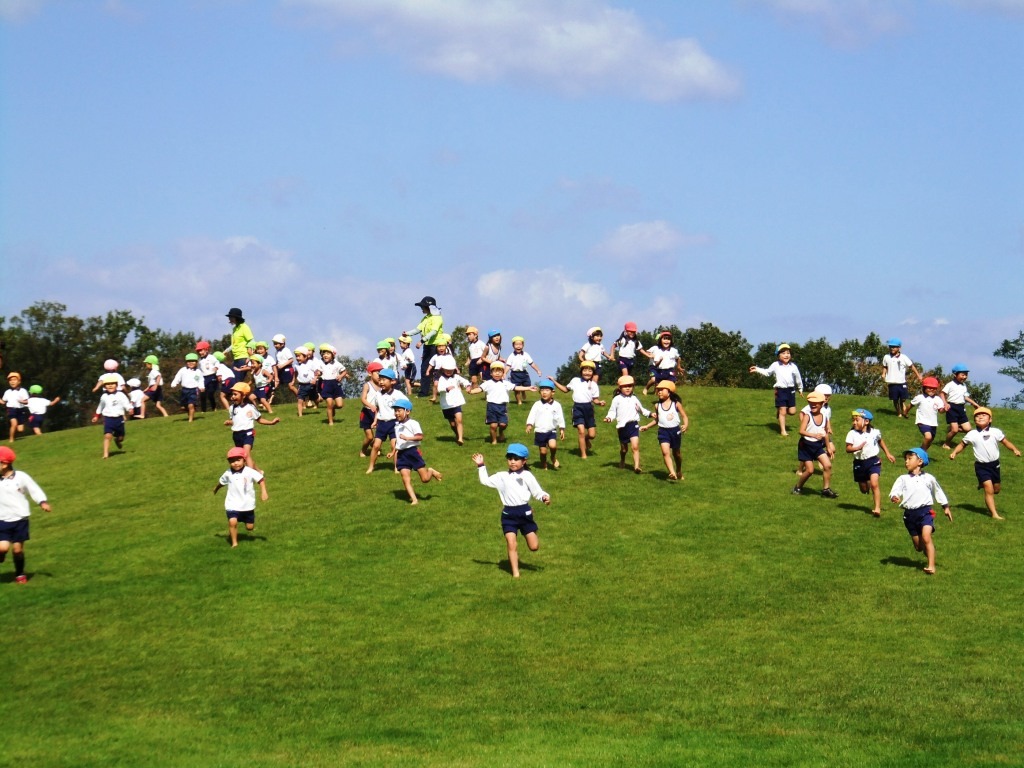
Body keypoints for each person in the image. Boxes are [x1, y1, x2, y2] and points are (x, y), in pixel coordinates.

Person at [473, 443, 550, 579]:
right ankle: (516, 574)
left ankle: (531, 531)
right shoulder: (501, 476)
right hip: (508, 515)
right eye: (510, 458)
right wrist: (481, 465)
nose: (512, 461)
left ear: (524, 461)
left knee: (534, 547)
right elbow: (485, 481)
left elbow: (537, 491)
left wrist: (544, 497)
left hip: (525, 513)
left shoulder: (527, 475)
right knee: (511, 542)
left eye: (516, 458)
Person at [949, 407, 1021, 520]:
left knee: (996, 489)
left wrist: (1015, 450)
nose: (980, 417)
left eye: (984, 415)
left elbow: (1006, 442)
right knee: (989, 489)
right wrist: (954, 452)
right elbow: (962, 445)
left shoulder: (995, 432)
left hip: (995, 465)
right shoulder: (971, 434)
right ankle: (994, 514)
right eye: (977, 416)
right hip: (981, 466)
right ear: (974, 420)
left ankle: (983, 483)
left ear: (990, 419)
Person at [889, 447, 952, 575]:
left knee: (926, 537)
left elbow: (938, 491)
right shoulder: (903, 478)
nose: (906, 461)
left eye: (909, 458)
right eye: (905, 459)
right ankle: (929, 551)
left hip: (925, 512)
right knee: (919, 547)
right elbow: (895, 490)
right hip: (910, 516)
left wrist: (945, 507)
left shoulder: (929, 478)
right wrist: (895, 496)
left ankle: (931, 566)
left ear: (920, 461)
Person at [0, 445, 51, 584]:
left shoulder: (21, 477)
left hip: (20, 520)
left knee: (17, 550)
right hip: (2, 520)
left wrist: (42, 502)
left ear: (4, 464)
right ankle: (1, 554)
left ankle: (20, 574)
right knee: (2, 547)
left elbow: (34, 489)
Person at [388, 397, 443, 505]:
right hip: (401, 455)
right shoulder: (397, 426)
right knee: (405, 478)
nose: (396, 413)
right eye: (395, 411)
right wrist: (393, 451)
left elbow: (420, 437)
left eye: (399, 410)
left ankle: (430, 471)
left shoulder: (413, 423)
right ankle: (414, 500)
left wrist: (408, 438)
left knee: (425, 479)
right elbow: (398, 442)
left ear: (407, 411)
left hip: (413, 453)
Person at [469, 361, 536, 445]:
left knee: (503, 424)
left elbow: (516, 387)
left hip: (502, 407)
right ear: (491, 373)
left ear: (503, 373)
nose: (497, 373)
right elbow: (479, 389)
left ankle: (501, 432)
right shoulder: (488, 383)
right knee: (493, 426)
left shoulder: (506, 383)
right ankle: (494, 440)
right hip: (491, 407)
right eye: (495, 371)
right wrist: (471, 391)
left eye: (499, 371)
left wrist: (528, 388)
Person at [213, 446, 268, 548]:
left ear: (244, 460)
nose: (235, 463)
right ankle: (234, 543)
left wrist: (264, 492)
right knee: (232, 521)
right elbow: (221, 482)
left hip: (247, 504)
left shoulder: (249, 471)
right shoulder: (228, 473)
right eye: (232, 461)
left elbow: (261, 480)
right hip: (232, 503)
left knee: (250, 527)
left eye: (238, 460)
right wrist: (216, 488)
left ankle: (242, 525)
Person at [844, 408, 896, 517]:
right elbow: (848, 449)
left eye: (857, 420)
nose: (854, 422)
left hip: (873, 461)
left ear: (866, 421)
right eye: (853, 420)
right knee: (864, 489)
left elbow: (880, 441)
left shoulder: (875, 432)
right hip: (859, 463)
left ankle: (877, 508)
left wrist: (888, 453)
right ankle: (866, 482)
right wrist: (857, 448)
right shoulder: (851, 433)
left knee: (874, 484)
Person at [553, 361, 605, 459]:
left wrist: (599, 403)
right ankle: (583, 455)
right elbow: (565, 390)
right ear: (581, 371)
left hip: (589, 409)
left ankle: (586, 439)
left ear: (593, 373)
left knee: (592, 435)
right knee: (581, 431)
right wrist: (554, 382)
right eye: (585, 370)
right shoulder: (575, 380)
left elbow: (595, 399)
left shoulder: (594, 385)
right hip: (578, 408)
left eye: (590, 371)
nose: (587, 373)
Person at [749, 343, 803, 436]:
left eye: (788, 353)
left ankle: (780, 410)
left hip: (791, 390)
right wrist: (757, 369)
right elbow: (767, 372)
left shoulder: (793, 366)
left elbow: (798, 378)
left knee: (792, 412)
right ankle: (783, 431)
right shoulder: (775, 365)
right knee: (783, 411)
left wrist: (800, 388)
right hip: (780, 390)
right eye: (783, 353)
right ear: (778, 355)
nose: (786, 355)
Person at [641, 380, 689, 481]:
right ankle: (672, 472)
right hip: (663, 432)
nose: (659, 392)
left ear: (670, 391)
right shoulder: (657, 406)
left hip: (675, 431)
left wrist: (685, 425)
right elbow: (657, 420)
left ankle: (679, 470)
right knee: (665, 452)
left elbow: (684, 416)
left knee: (677, 454)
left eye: (662, 390)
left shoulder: (676, 404)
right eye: (658, 390)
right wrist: (647, 426)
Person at [792, 391, 837, 497]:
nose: (813, 405)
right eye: (810, 403)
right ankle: (798, 487)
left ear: (822, 404)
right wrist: (813, 435)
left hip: (817, 446)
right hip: (805, 446)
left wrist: (828, 447)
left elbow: (825, 433)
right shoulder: (807, 416)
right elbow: (801, 431)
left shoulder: (824, 417)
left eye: (815, 403)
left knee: (828, 465)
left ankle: (826, 489)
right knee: (810, 470)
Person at [224, 382, 280, 469]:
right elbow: (234, 421)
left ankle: (250, 475)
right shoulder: (232, 408)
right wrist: (229, 422)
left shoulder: (250, 407)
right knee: (242, 456)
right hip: (236, 435)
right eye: (233, 394)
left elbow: (260, 420)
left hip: (247, 433)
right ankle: (258, 472)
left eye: (235, 394)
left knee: (246, 454)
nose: (233, 396)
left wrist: (271, 422)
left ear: (243, 395)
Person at [605, 375, 651, 473]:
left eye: (630, 386)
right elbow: (612, 412)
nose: (627, 388)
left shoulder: (634, 398)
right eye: (625, 386)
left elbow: (641, 410)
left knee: (635, 446)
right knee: (624, 449)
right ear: (620, 387)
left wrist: (651, 414)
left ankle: (636, 467)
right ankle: (622, 459)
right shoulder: (616, 399)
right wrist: (609, 418)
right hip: (622, 427)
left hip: (633, 425)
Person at [404, 296, 444, 398]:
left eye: (423, 306)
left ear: (429, 307)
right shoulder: (425, 318)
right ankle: (424, 392)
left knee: (439, 368)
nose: (421, 309)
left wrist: (422, 341)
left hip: (437, 346)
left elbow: (434, 332)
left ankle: (444, 389)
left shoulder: (437, 318)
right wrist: (407, 333)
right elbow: (418, 329)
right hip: (427, 347)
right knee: (424, 369)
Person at [363, 368, 400, 473]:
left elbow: (406, 406)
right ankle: (371, 466)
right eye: (380, 380)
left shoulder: (397, 394)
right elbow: (378, 409)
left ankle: (397, 467)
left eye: (384, 380)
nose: (381, 382)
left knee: (394, 445)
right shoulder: (378, 394)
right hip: (382, 423)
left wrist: (401, 417)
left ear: (392, 381)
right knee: (376, 445)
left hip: (394, 423)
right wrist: (375, 421)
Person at [525, 379, 565, 470]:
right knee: (543, 452)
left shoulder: (557, 405)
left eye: (547, 390)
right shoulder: (537, 404)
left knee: (553, 446)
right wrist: (529, 425)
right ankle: (544, 463)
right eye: (542, 390)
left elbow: (560, 417)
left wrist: (562, 428)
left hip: (551, 431)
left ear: (552, 392)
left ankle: (553, 457)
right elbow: (532, 415)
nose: (544, 392)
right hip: (540, 431)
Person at [91, 373, 133, 458]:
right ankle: (106, 454)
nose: (110, 386)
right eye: (108, 384)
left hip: (119, 419)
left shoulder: (120, 395)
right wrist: (96, 416)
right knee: (107, 435)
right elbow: (100, 407)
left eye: (112, 384)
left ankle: (117, 440)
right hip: (108, 419)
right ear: (104, 386)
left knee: (121, 437)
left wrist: (129, 409)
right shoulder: (104, 396)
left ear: (116, 385)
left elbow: (126, 403)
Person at [940, 364, 981, 450]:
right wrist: (945, 403)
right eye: (962, 374)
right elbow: (942, 393)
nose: (965, 377)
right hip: (952, 408)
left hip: (961, 408)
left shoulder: (964, 386)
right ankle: (946, 444)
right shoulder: (950, 384)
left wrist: (974, 403)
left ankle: (952, 428)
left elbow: (965, 397)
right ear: (955, 374)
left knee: (968, 429)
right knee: (954, 430)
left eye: (966, 375)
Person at [880, 338, 923, 418]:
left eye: (894, 347)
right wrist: (883, 373)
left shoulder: (903, 357)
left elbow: (911, 366)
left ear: (899, 348)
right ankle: (899, 413)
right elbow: (885, 366)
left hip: (902, 382)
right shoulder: (886, 357)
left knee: (903, 398)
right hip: (892, 382)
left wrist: (918, 375)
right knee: (895, 399)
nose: (892, 348)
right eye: (891, 346)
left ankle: (903, 407)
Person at [436, 362, 472, 446]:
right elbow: (439, 389)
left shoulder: (456, 377)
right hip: (446, 405)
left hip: (456, 402)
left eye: (451, 370)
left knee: (459, 420)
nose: (449, 372)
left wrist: (468, 386)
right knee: (452, 424)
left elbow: (465, 381)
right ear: (443, 370)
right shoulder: (441, 379)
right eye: (447, 370)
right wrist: (446, 389)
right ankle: (457, 434)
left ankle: (460, 438)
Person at [643, 330, 683, 395]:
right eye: (664, 339)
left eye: (669, 339)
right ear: (660, 340)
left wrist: (679, 367)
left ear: (671, 341)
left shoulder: (674, 350)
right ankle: (647, 389)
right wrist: (651, 356)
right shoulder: (656, 349)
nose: (666, 341)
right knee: (656, 382)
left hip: (670, 370)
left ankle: (671, 398)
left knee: (671, 384)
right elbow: (648, 353)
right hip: (657, 369)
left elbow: (678, 358)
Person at [911, 376, 945, 452]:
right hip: (922, 422)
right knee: (928, 437)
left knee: (930, 441)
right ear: (924, 388)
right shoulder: (920, 397)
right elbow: (911, 405)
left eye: (934, 388)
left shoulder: (938, 399)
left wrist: (945, 409)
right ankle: (920, 453)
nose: (931, 390)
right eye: (929, 388)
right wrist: (905, 412)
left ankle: (920, 453)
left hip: (933, 423)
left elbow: (941, 411)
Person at [506, 336, 542, 405]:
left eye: (520, 344)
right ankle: (519, 402)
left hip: (524, 373)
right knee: (516, 389)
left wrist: (538, 370)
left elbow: (532, 364)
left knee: (527, 385)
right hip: (515, 374)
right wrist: (504, 373)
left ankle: (523, 391)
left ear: (523, 345)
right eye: (516, 344)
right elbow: (508, 366)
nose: (518, 346)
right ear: (513, 346)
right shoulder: (511, 356)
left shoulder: (526, 355)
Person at [318, 344, 348, 426]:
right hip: (326, 385)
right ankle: (330, 422)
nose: (325, 355)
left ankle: (333, 409)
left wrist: (341, 376)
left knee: (340, 405)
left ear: (333, 355)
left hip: (336, 385)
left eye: (327, 353)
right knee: (329, 404)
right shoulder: (321, 363)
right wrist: (317, 374)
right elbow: (319, 372)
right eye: (324, 354)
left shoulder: (337, 364)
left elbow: (344, 371)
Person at [170, 353, 205, 423]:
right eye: (189, 361)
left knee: (191, 405)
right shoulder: (183, 370)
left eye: (193, 361)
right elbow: (177, 377)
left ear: (196, 362)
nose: (191, 363)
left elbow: (200, 380)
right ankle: (189, 411)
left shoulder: (198, 372)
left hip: (194, 390)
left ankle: (190, 420)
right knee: (184, 406)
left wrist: (201, 387)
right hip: (184, 390)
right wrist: (174, 383)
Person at [359, 361, 384, 457]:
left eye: (381, 373)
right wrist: (371, 406)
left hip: (377, 413)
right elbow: (363, 399)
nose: (379, 375)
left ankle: (376, 448)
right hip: (366, 413)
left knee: (379, 434)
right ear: (370, 373)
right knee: (369, 437)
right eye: (377, 373)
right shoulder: (367, 385)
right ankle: (363, 450)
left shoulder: (383, 387)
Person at [226, 308, 255, 381]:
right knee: (231, 380)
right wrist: (225, 351)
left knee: (237, 381)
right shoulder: (234, 329)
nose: (229, 319)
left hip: (243, 358)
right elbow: (234, 344)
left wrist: (250, 356)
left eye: (231, 317)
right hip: (236, 358)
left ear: (237, 318)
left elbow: (252, 341)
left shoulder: (244, 327)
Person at [292, 347, 320, 418]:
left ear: (305, 356)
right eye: (296, 356)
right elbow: (295, 373)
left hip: (311, 384)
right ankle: (300, 415)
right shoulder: (296, 365)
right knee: (300, 400)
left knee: (315, 397)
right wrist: (293, 380)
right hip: (301, 385)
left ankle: (317, 403)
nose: (297, 358)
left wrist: (315, 378)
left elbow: (317, 372)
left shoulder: (311, 363)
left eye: (299, 356)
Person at [3, 372, 29, 443]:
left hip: (20, 410)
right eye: (10, 380)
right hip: (11, 409)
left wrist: (22, 402)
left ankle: (14, 434)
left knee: (20, 429)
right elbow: (3, 402)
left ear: (19, 381)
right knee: (14, 424)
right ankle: (11, 439)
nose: (12, 381)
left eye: (14, 379)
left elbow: (27, 401)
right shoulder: (7, 392)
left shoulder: (23, 391)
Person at [196, 341, 220, 413]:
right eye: (198, 351)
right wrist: (196, 380)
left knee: (210, 393)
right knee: (202, 394)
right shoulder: (199, 360)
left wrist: (216, 367)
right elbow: (198, 371)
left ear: (206, 350)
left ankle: (214, 408)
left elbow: (217, 362)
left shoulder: (211, 357)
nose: (200, 352)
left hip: (212, 376)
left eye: (201, 350)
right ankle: (203, 410)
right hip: (203, 378)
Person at [271, 334, 297, 399]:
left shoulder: (286, 350)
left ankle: (301, 399)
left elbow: (291, 360)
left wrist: (282, 365)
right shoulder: (277, 352)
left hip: (287, 369)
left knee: (291, 386)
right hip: (280, 370)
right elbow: (277, 362)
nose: (275, 345)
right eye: (274, 344)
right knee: (275, 384)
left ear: (282, 344)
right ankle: (269, 400)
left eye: (277, 344)